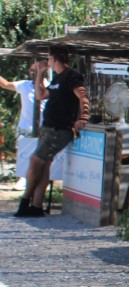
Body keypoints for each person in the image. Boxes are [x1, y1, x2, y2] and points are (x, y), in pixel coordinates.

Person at [14, 46, 87, 218]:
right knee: (44, 166)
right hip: (48, 128)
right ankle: (36, 206)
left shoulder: (71, 77)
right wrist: (39, 74)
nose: (47, 62)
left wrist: (84, 117)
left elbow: (83, 96)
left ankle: (25, 201)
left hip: (59, 129)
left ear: (54, 59)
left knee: (35, 161)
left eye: (49, 59)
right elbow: (40, 96)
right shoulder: (57, 79)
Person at [0, 59, 44, 183]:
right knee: (23, 155)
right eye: (31, 70)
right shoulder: (24, 85)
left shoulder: (49, 86)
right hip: (25, 128)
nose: (33, 73)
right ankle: (22, 180)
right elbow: (6, 84)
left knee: (40, 157)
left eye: (35, 70)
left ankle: (36, 181)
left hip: (43, 129)